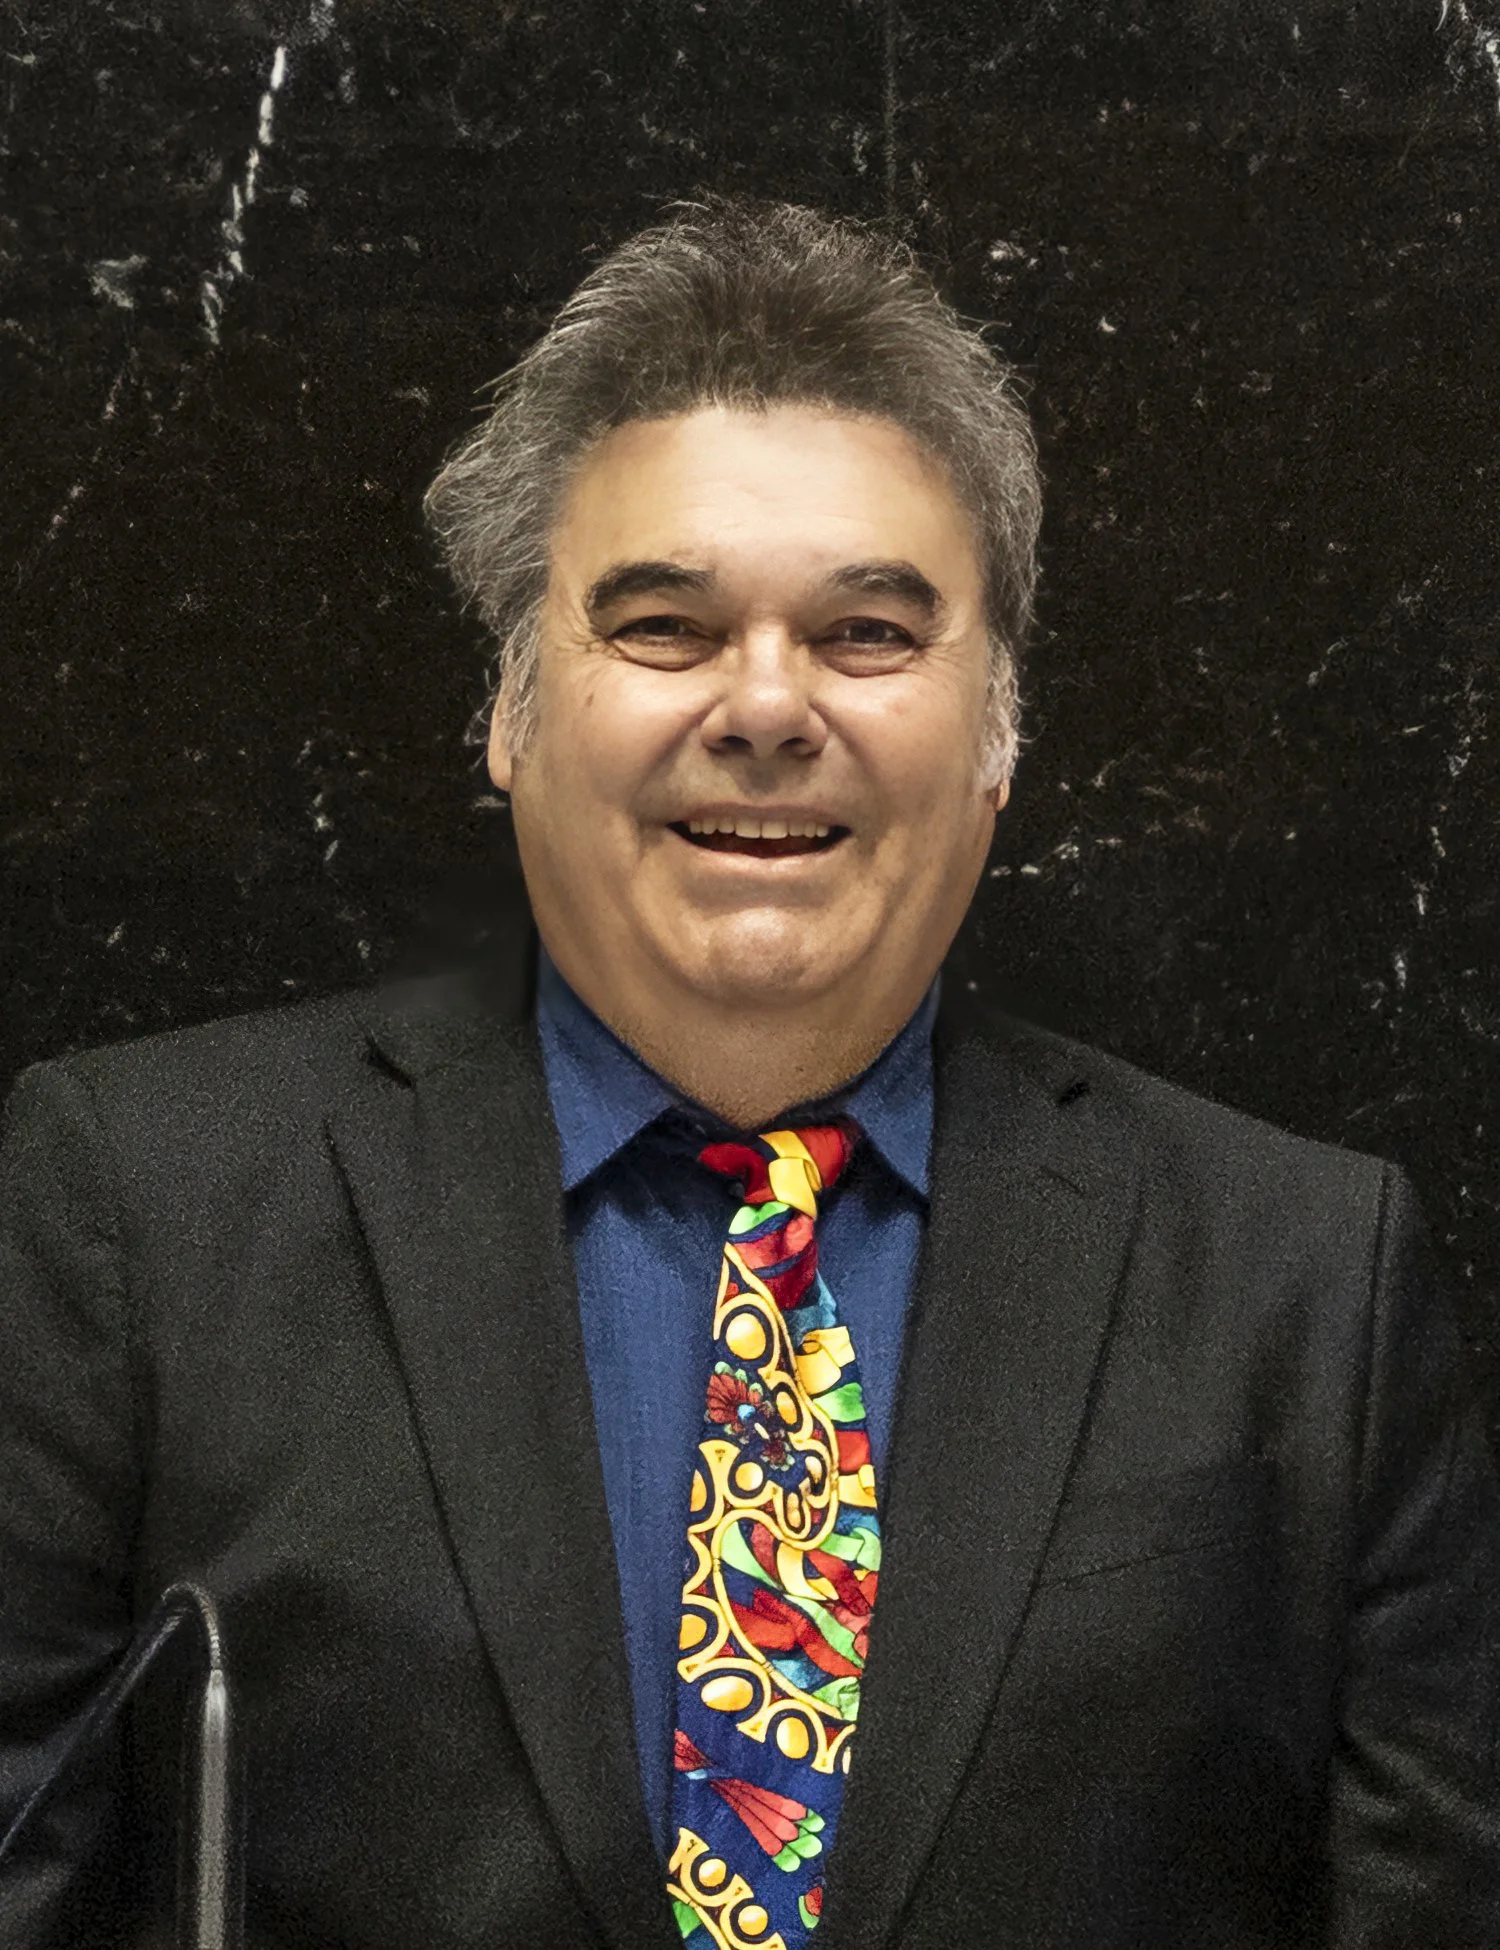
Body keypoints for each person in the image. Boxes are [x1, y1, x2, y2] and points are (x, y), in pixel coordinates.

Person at [1, 196, 1496, 1950]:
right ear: (510, 712)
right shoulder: (141, 1216)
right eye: (662, 626)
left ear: (999, 733)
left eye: (869, 635)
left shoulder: (1305, 1286)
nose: (769, 707)